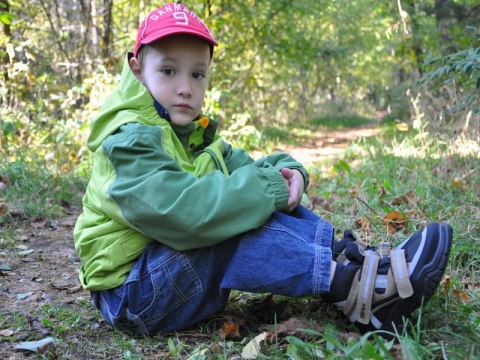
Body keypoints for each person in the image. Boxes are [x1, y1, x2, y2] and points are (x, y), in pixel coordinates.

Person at [73, 2, 453, 337]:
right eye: (169, 71)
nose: (185, 88)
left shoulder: (191, 134)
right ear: (138, 71)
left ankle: (352, 265)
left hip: (162, 278)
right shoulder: (129, 140)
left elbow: (254, 169)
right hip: (134, 295)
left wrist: (291, 173)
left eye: (197, 74)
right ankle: (356, 289)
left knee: (245, 198)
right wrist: (265, 188)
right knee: (225, 219)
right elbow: (185, 214)